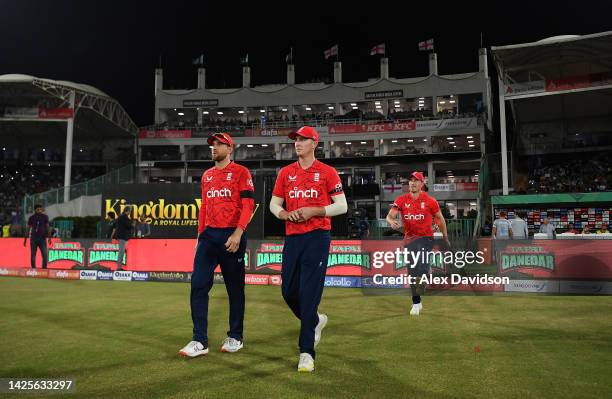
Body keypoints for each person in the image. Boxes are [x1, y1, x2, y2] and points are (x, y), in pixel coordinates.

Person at [269, 126, 347, 372]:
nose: (298, 143)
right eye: (296, 139)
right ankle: (315, 321)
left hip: (317, 237)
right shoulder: (285, 173)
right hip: (293, 238)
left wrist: (317, 210)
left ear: (315, 143)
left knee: (309, 293)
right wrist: (283, 213)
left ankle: (306, 352)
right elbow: (273, 203)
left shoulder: (327, 172)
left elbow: (342, 205)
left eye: (303, 139)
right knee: (288, 292)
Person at [179, 132, 255, 358]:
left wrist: (238, 233)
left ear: (230, 149)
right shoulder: (207, 175)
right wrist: (199, 237)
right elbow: (204, 207)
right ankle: (199, 340)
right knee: (198, 285)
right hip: (208, 237)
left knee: (235, 289)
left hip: (232, 236)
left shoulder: (241, 172)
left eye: (219, 144)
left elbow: (249, 205)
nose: (214, 147)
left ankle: (236, 336)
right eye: (212, 144)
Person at [385, 171, 449, 317]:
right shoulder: (401, 200)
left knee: (419, 266)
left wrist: (445, 237)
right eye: (410, 181)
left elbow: (440, 218)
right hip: (409, 240)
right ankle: (416, 301)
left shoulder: (430, 201)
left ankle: (425, 270)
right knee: (412, 271)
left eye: (416, 180)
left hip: (426, 239)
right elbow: (389, 216)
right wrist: (391, 222)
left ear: (422, 184)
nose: (412, 183)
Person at [23, 204, 52, 269]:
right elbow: (28, 229)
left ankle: (44, 269)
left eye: (41, 209)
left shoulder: (45, 217)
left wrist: (50, 238)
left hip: (42, 239)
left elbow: (48, 227)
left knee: (45, 255)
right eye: (38, 209)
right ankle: (34, 269)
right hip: (33, 239)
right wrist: (25, 239)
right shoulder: (31, 217)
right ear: (35, 210)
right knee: (33, 255)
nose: (40, 210)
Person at [111, 205, 134, 271]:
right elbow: (128, 225)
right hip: (122, 237)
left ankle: (119, 267)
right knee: (121, 252)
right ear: (128, 211)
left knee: (122, 252)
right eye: (130, 210)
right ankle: (118, 268)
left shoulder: (123, 217)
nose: (130, 212)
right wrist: (132, 224)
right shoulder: (123, 217)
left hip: (122, 237)